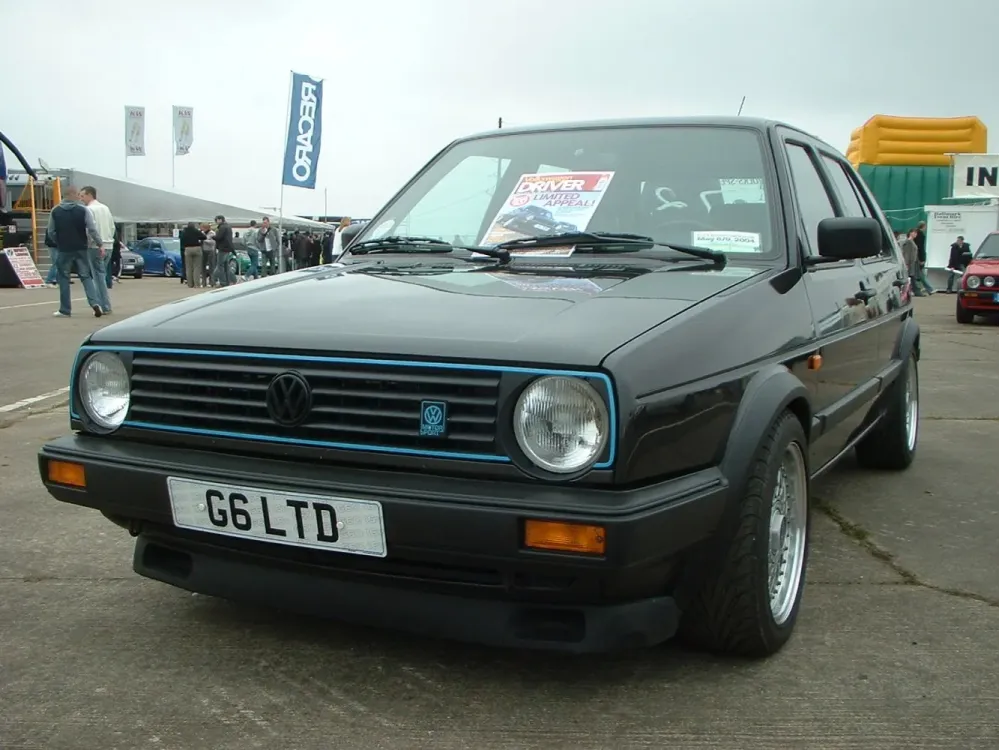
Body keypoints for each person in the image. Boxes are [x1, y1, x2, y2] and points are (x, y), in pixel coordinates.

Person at [44, 185, 104, 318]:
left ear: (63, 196)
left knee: (64, 278)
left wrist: (58, 242)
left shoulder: (55, 211)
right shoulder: (83, 210)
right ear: (73, 195)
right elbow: (92, 229)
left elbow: (51, 231)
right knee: (85, 276)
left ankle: (65, 310)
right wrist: (100, 243)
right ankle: (95, 304)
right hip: (81, 248)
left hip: (64, 249)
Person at [80, 186, 114, 314]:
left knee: (98, 277)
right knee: (101, 275)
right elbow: (112, 227)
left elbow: (90, 229)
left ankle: (105, 306)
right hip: (109, 244)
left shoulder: (88, 210)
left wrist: (90, 243)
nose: (81, 199)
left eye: (82, 196)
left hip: (96, 246)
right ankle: (102, 303)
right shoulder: (105, 208)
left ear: (90, 195)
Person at [180, 222, 207, 289]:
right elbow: (204, 237)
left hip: (187, 249)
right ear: (194, 226)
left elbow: (181, 240)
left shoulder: (184, 232)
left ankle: (190, 284)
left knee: (188, 267)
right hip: (196, 248)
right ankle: (197, 284)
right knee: (197, 267)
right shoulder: (196, 231)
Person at [912, 220, 934, 295]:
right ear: (923, 226)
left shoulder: (915, 234)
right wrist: (922, 259)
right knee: (919, 274)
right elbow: (921, 248)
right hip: (918, 258)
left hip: (914, 257)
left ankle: (924, 289)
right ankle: (929, 289)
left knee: (915, 275)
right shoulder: (921, 235)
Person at [213, 214, 236, 286]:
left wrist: (213, 236)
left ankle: (222, 282)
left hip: (222, 248)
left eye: (216, 220)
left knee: (220, 266)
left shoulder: (222, 227)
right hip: (228, 249)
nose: (216, 222)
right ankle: (232, 280)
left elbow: (219, 237)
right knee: (226, 267)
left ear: (220, 220)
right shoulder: (228, 227)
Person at [899, 230, 924, 298]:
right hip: (910, 262)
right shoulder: (908, 242)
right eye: (914, 233)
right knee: (911, 277)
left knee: (912, 277)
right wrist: (906, 263)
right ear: (910, 233)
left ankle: (913, 291)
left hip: (913, 262)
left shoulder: (912, 241)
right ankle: (916, 291)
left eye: (916, 233)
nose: (915, 234)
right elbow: (906, 253)